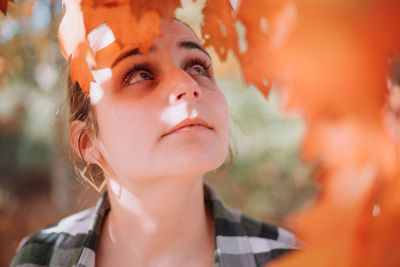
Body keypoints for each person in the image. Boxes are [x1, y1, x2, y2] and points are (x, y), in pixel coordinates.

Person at [10, 2, 298, 266]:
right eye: (139, 74)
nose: (187, 84)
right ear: (88, 142)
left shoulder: (289, 259)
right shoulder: (38, 258)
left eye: (198, 66)